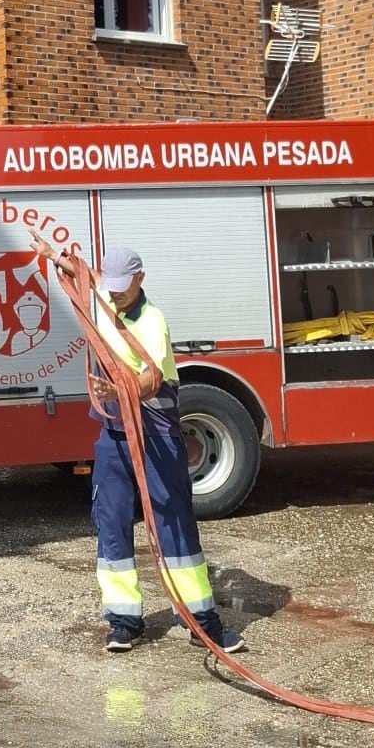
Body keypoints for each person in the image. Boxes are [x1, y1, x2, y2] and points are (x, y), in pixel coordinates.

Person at [75, 247, 245, 656]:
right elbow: (85, 276)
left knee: (173, 525)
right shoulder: (105, 298)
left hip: (155, 435)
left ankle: (200, 621)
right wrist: (55, 256)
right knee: (111, 523)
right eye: (110, 287)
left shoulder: (152, 322)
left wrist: (121, 390)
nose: (114, 294)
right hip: (114, 435)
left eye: (122, 287)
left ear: (141, 278)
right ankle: (123, 623)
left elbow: (151, 379)